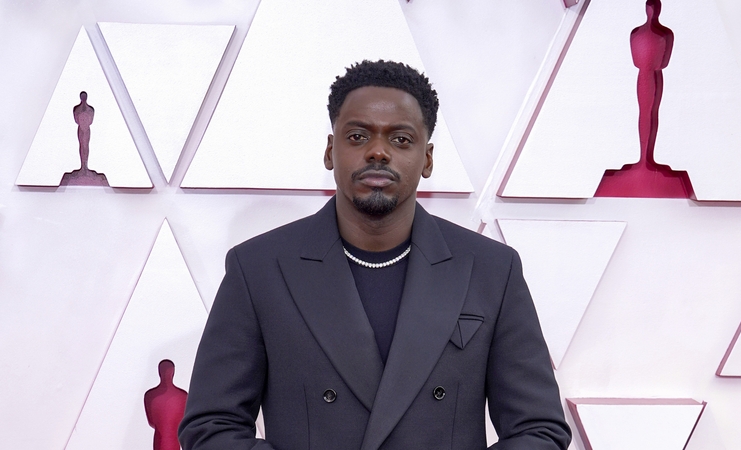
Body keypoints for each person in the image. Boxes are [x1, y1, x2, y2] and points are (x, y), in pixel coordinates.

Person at [179, 60, 571, 450]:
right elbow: (212, 427)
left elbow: (539, 430)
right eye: (357, 136)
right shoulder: (258, 269)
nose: (378, 152)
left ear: (427, 158)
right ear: (330, 151)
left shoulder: (492, 270)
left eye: (400, 139)